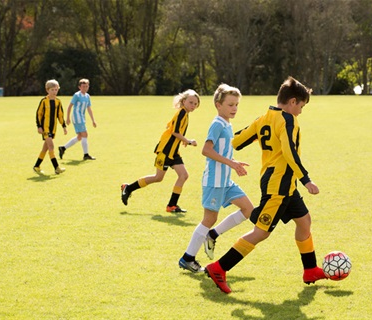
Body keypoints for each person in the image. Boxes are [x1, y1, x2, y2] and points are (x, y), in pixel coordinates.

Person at [205, 76, 327, 294]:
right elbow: (289, 152)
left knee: (304, 221)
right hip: (278, 185)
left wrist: (261, 134)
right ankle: (218, 268)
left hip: (284, 184)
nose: (300, 110)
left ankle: (310, 270)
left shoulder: (265, 118)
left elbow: (238, 140)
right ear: (292, 102)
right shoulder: (288, 119)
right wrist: (306, 179)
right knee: (261, 232)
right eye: (301, 105)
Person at [179, 84, 254, 273]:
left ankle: (212, 235)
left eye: (236, 104)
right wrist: (231, 163)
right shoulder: (217, 124)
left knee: (248, 209)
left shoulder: (227, 124)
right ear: (218, 105)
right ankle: (187, 258)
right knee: (209, 218)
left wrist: (235, 162)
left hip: (226, 181)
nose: (234, 108)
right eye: (230, 105)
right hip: (214, 181)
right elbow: (206, 150)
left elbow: (221, 152)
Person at [121, 89, 200, 213]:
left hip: (174, 152)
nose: (193, 106)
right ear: (184, 101)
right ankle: (128, 188)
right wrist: (188, 140)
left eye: (195, 104)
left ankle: (172, 205)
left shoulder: (185, 113)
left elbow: (173, 129)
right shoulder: (182, 113)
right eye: (191, 102)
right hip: (165, 150)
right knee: (158, 177)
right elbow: (175, 131)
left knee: (183, 175)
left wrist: (182, 140)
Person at [33, 79, 67, 175]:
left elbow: (60, 115)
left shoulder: (58, 102)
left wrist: (64, 126)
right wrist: (39, 126)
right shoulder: (44, 101)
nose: (54, 92)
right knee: (51, 146)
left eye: (56, 89)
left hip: (53, 129)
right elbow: (39, 114)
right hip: (45, 129)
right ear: (47, 90)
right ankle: (56, 167)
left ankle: (36, 166)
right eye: (52, 90)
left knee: (46, 148)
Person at [59, 78, 97, 160]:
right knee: (85, 134)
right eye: (83, 86)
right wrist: (68, 118)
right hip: (77, 117)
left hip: (82, 117)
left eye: (86, 86)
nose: (85, 88)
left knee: (80, 136)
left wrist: (93, 120)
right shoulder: (77, 95)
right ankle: (86, 155)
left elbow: (89, 108)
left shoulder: (87, 96)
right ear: (79, 87)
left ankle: (63, 148)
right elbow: (70, 106)